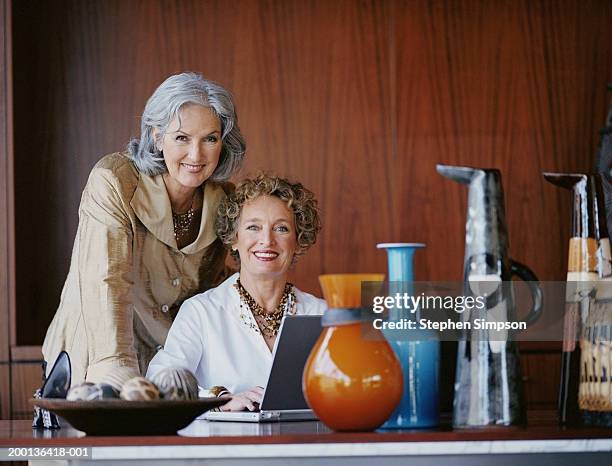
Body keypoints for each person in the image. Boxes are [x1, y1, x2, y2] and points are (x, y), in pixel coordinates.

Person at [42, 72, 246, 386]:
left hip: (171, 364)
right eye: (182, 138)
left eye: (210, 138)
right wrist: (116, 371)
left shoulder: (225, 200)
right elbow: (106, 281)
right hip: (96, 357)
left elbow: (217, 292)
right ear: (156, 136)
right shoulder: (114, 181)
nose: (196, 154)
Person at [146, 175, 326, 411]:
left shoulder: (323, 314)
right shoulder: (201, 312)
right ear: (233, 239)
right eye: (253, 227)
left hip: (302, 443)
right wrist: (220, 399)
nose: (267, 240)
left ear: (298, 241)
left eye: (281, 228)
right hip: (226, 445)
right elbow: (160, 384)